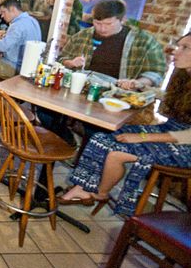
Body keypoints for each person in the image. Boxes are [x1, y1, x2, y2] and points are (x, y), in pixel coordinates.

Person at [58, 32, 191, 215]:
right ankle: (83, 188)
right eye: (179, 45)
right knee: (100, 138)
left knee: (116, 154)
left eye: (185, 47)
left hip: (184, 146)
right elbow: (167, 96)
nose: (176, 51)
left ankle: (100, 194)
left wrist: (142, 137)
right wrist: (142, 86)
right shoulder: (184, 75)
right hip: (169, 130)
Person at [59, 0, 166, 90]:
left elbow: (156, 72)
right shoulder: (82, 36)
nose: (102, 28)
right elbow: (61, 59)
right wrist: (71, 62)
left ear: (122, 20)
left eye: (108, 24)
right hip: (82, 88)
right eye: (97, 23)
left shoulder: (143, 41)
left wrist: (138, 83)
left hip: (118, 95)